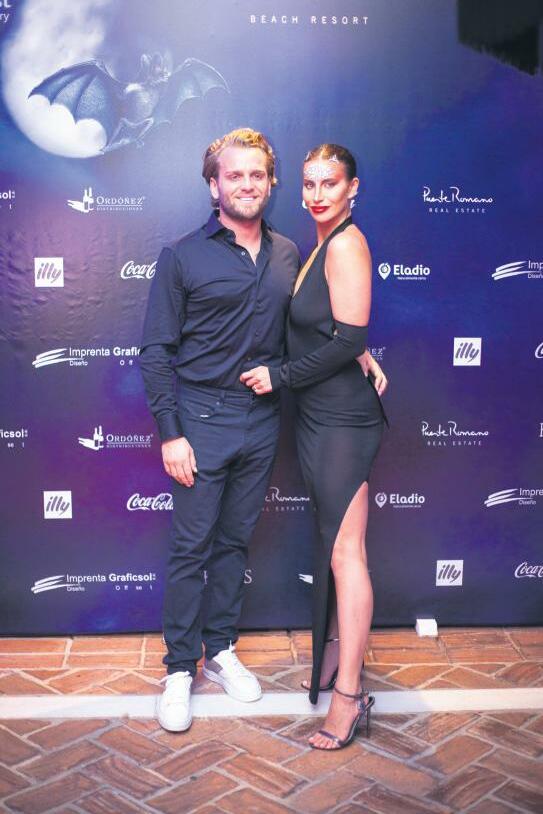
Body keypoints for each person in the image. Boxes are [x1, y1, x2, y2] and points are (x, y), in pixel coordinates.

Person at [140, 128, 387, 734]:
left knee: (233, 544)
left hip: (262, 420)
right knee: (191, 548)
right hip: (200, 421)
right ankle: (180, 669)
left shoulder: (288, 254)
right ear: (214, 185)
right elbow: (155, 352)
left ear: (271, 184)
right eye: (234, 175)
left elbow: (316, 322)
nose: (246, 184)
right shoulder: (182, 255)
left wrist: (356, 349)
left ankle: (221, 650)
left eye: (257, 175)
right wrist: (171, 432)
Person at [241, 144, 387, 750]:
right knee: (334, 547)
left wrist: (281, 375)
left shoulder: (347, 244)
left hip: (343, 420)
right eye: (309, 183)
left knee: (346, 552)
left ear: (353, 189)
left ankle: (349, 697)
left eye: (330, 183)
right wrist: (359, 350)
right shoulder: (318, 248)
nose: (317, 194)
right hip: (319, 416)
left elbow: (347, 337)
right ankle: (334, 657)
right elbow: (338, 330)